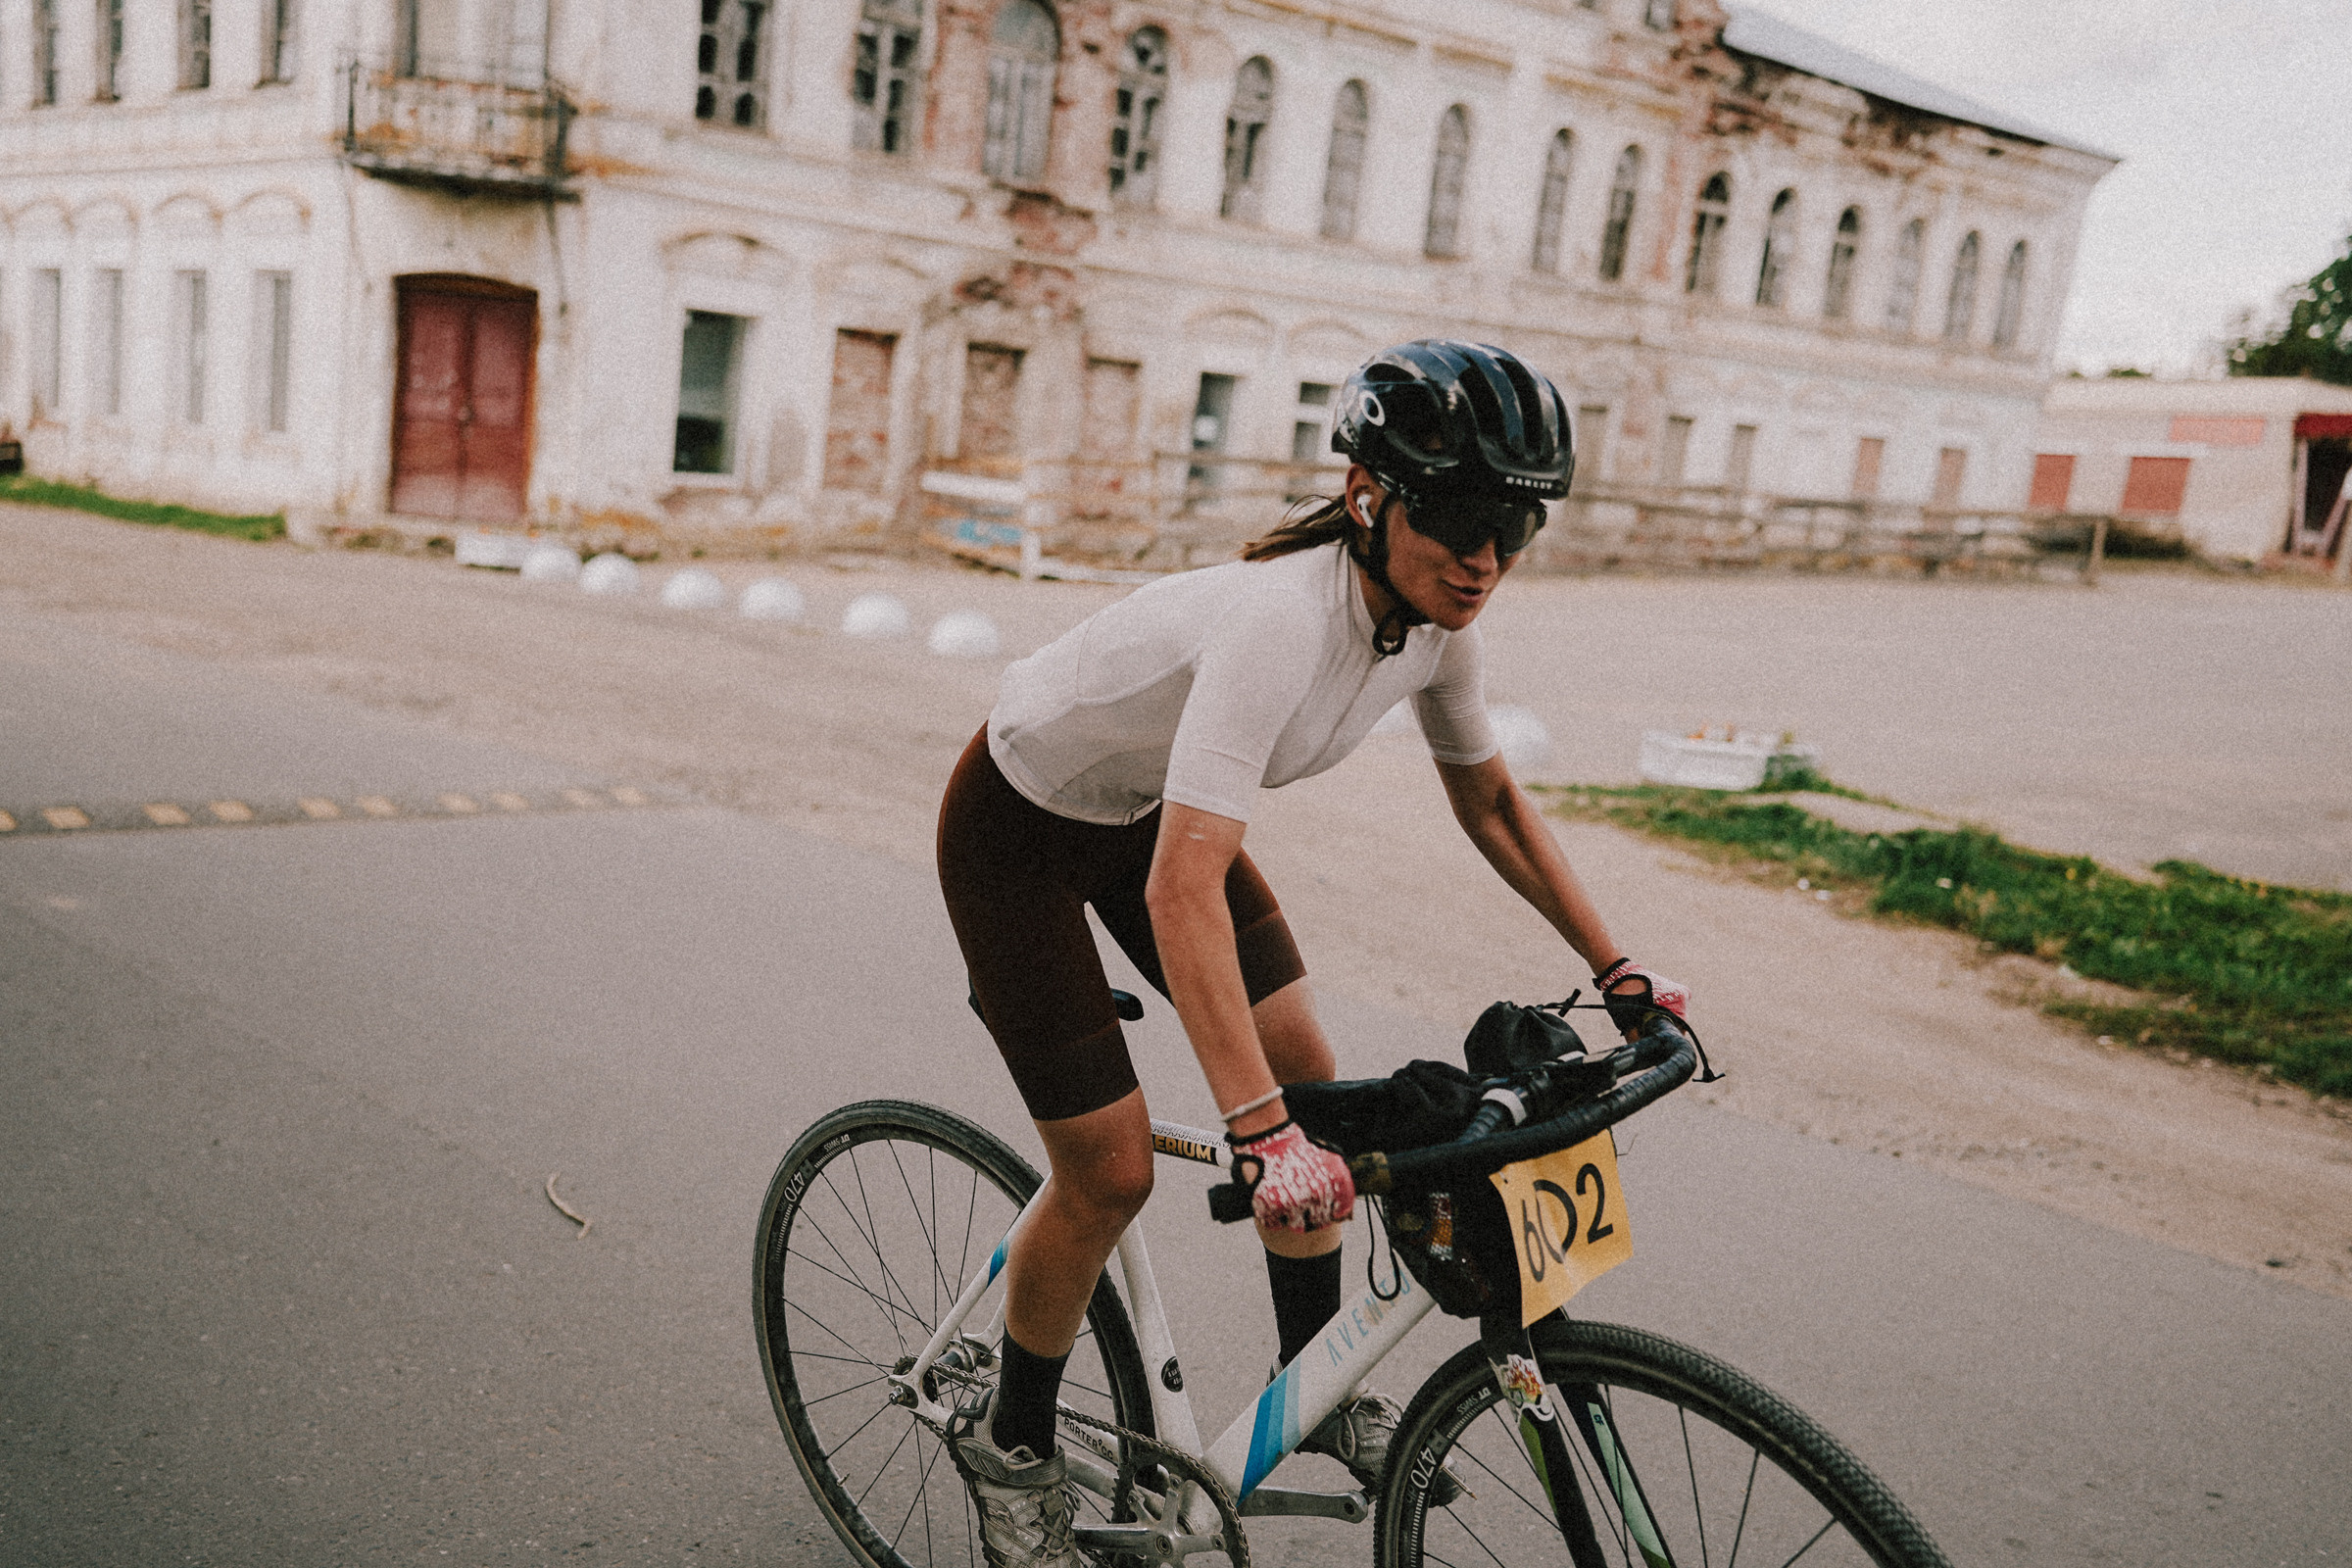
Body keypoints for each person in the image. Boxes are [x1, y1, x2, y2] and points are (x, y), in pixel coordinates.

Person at [935, 339, 1689, 1567]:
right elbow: (1186, 893)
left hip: (1144, 819)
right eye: (1456, 516)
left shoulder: (1441, 629)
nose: (1485, 556)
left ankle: (1311, 1387)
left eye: (1516, 524)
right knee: (1113, 1169)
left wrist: (1621, 971)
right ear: (1368, 498)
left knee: (1312, 1074)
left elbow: (1492, 804)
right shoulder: (1283, 621)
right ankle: (1012, 1444)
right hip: (1020, 828)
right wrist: (1257, 1133)